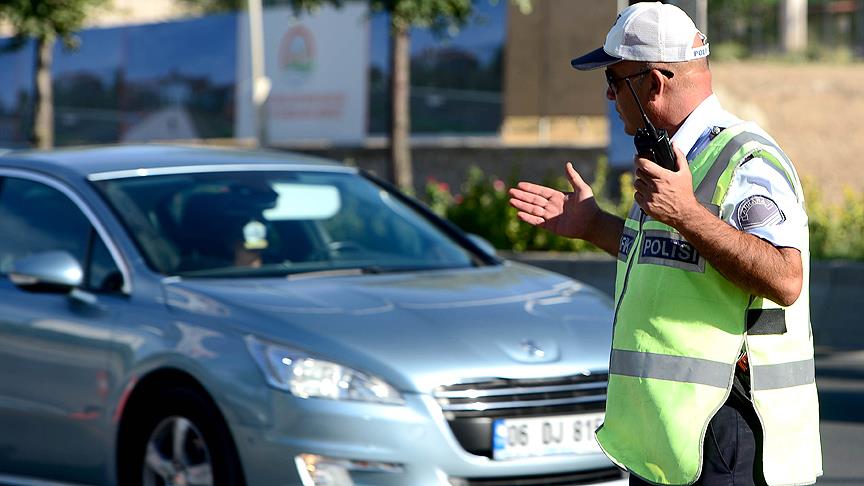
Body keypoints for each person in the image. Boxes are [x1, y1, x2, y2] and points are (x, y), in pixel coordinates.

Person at [508, 3, 821, 486]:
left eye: (613, 81)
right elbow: (671, 256)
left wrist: (688, 214)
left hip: (725, 431)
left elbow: (785, 278)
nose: (610, 96)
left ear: (653, 83)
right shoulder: (670, 156)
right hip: (670, 444)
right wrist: (593, 225)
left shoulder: (747, 161)